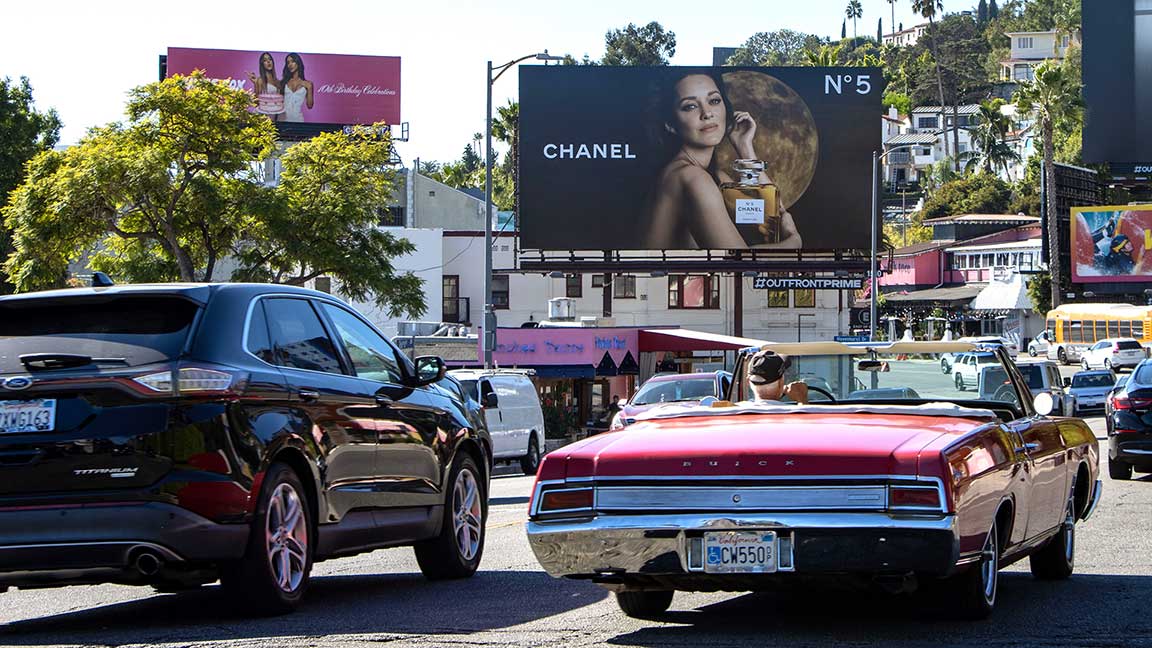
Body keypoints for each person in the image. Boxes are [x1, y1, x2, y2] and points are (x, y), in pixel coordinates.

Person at [638, 70, 801, 250]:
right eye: (690, 106)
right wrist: (793, 243)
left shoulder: (715, 177)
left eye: (714, 101)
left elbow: (773, 217)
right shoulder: (691, 177)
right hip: (662, 278)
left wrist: (745, 149)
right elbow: (738, 264)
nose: (707, 113)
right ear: (670, 124)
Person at [248, 52, 283, 119]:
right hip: (262, 116)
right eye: (265, 60)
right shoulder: (260, 80)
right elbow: (256, 102)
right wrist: (256, 84)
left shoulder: (278, 82)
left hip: (273, 115)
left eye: (270, 59)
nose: (268, 62)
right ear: (262, 64)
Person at [281, 53, 314, 122]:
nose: (290, 65)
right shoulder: (284, 83)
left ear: (298, 63)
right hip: (283, 119)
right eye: (288, 63)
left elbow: (310, 106)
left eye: (293, 61)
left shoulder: (308, 84)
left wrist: (309, 88)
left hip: (298, 120)